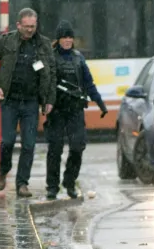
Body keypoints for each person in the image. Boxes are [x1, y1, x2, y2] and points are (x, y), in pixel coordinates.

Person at [0, 8, 56, 198]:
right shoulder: (5, 41)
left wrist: (49, 100)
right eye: (26, 27)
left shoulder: (44, 44)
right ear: (18, 25)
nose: (30, 30)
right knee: (7, 142)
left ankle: (22, 183)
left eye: (33, 26)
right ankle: (3, 172)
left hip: (31, 103)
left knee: (29, 145)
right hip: (9, 102)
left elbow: (52, 73)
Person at [45, 21, 108, 200]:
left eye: (70, 37)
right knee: (55, 149)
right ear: (58, 39)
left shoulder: (78, 58)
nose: (68, 40)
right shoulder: (50, 57)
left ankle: (70, 182)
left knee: (77, 147)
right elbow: (42, 83)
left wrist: (100, 103)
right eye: (64, 37)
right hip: (56, 110)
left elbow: (88, 82)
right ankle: (52, 187)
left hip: (75, 110)